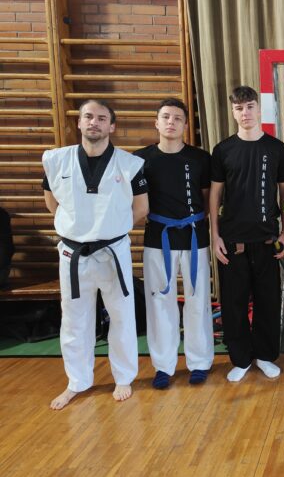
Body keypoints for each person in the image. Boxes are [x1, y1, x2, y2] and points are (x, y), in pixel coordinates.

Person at [43, 100, 148, 410]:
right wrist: (77, 228)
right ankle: (77, 381)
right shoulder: (56, 161)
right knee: (74, 319)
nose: (94, 122)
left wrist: (111, 228)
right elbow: (52, 203)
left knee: (122, 316)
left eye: (102, 118)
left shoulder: (129, 164)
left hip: (113, 250)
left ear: (111, 126)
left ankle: (124, 377)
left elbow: (141, 208)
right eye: (88, 116)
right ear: (79, 122)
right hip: (73, 253)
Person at [209, 86, 284, 382]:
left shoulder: (276, 148)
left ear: (259, 109)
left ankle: (265, 356)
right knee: (234, 303)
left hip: (268, 241)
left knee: (268, 302)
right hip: (233, 242)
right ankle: (241, 359)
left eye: (249, 107)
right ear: (233, 112)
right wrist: (215, 237)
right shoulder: (223, 150)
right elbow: (215, 196)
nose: (245, 113)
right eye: (239, 108)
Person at [135, 98, 213, 389]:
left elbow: (207, 198)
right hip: (158, 237)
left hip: (194, 236)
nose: (171, 122)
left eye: (177, 118)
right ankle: (163, 366)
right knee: (159, 302)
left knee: (198, 300)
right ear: (156, 122)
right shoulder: (140, 159)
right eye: (166, 117)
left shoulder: (200, 158)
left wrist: (194, 222)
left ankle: (199, 362)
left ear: (185, 125)